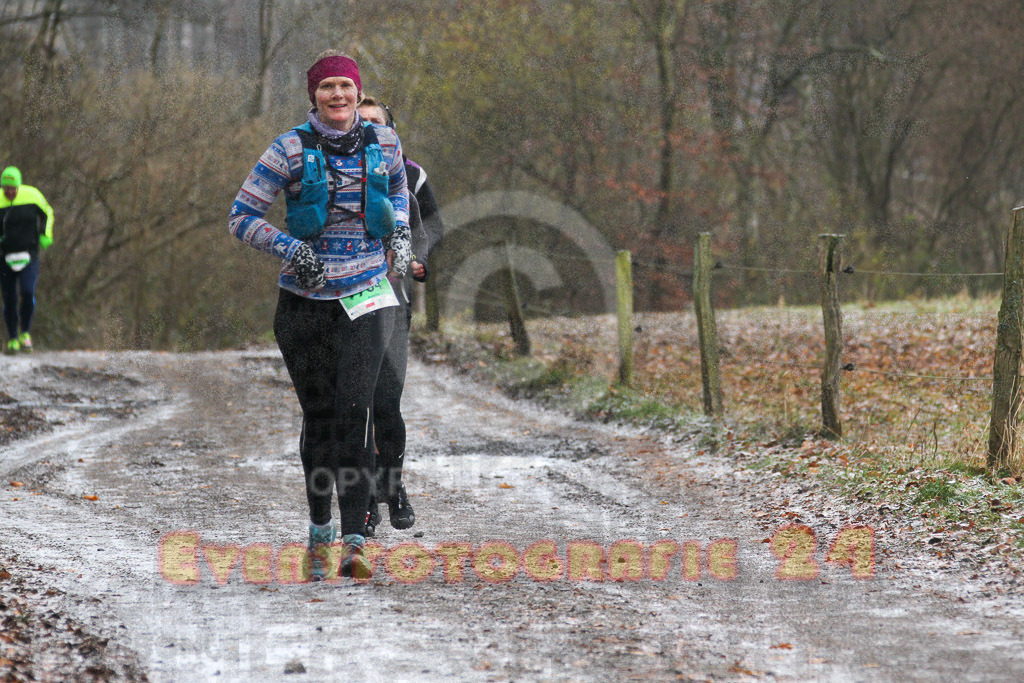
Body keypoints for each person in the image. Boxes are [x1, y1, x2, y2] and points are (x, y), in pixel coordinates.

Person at [228, 51, 411, 580]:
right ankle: (319, 528)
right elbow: (241, 216)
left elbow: (398, 192)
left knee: (355, 414)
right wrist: (291, 248)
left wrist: (400, 231)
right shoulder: (288, 148)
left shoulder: (385, 142)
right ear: (314, 95)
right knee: (321, 420)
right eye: (327, 87)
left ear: (358, 92)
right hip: (304, 304)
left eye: (345, 86)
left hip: (367, 294)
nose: (338, 95)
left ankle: (355, 541)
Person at [357, 97, 445, 537]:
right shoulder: (332, 172)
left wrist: (418, 260)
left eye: (377, 122)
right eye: (362, 122)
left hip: (393, 301)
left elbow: (430, 225)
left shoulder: (410, 175)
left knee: (386, 403)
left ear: (391, 127)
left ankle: (392, 488)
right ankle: (362, 502)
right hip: (343, 304)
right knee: (355, 408)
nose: (370, 129)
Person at [0, 166, 53, 354]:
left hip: (29, 254)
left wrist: (45, 234)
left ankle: (25, 333)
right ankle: (13, 338)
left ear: (19, 185)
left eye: (13, 188)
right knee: (9, 298)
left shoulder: (32, 195)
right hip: (4, 256)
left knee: (27, 292)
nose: (10, 192)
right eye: (6, 188)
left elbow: (47, 213)